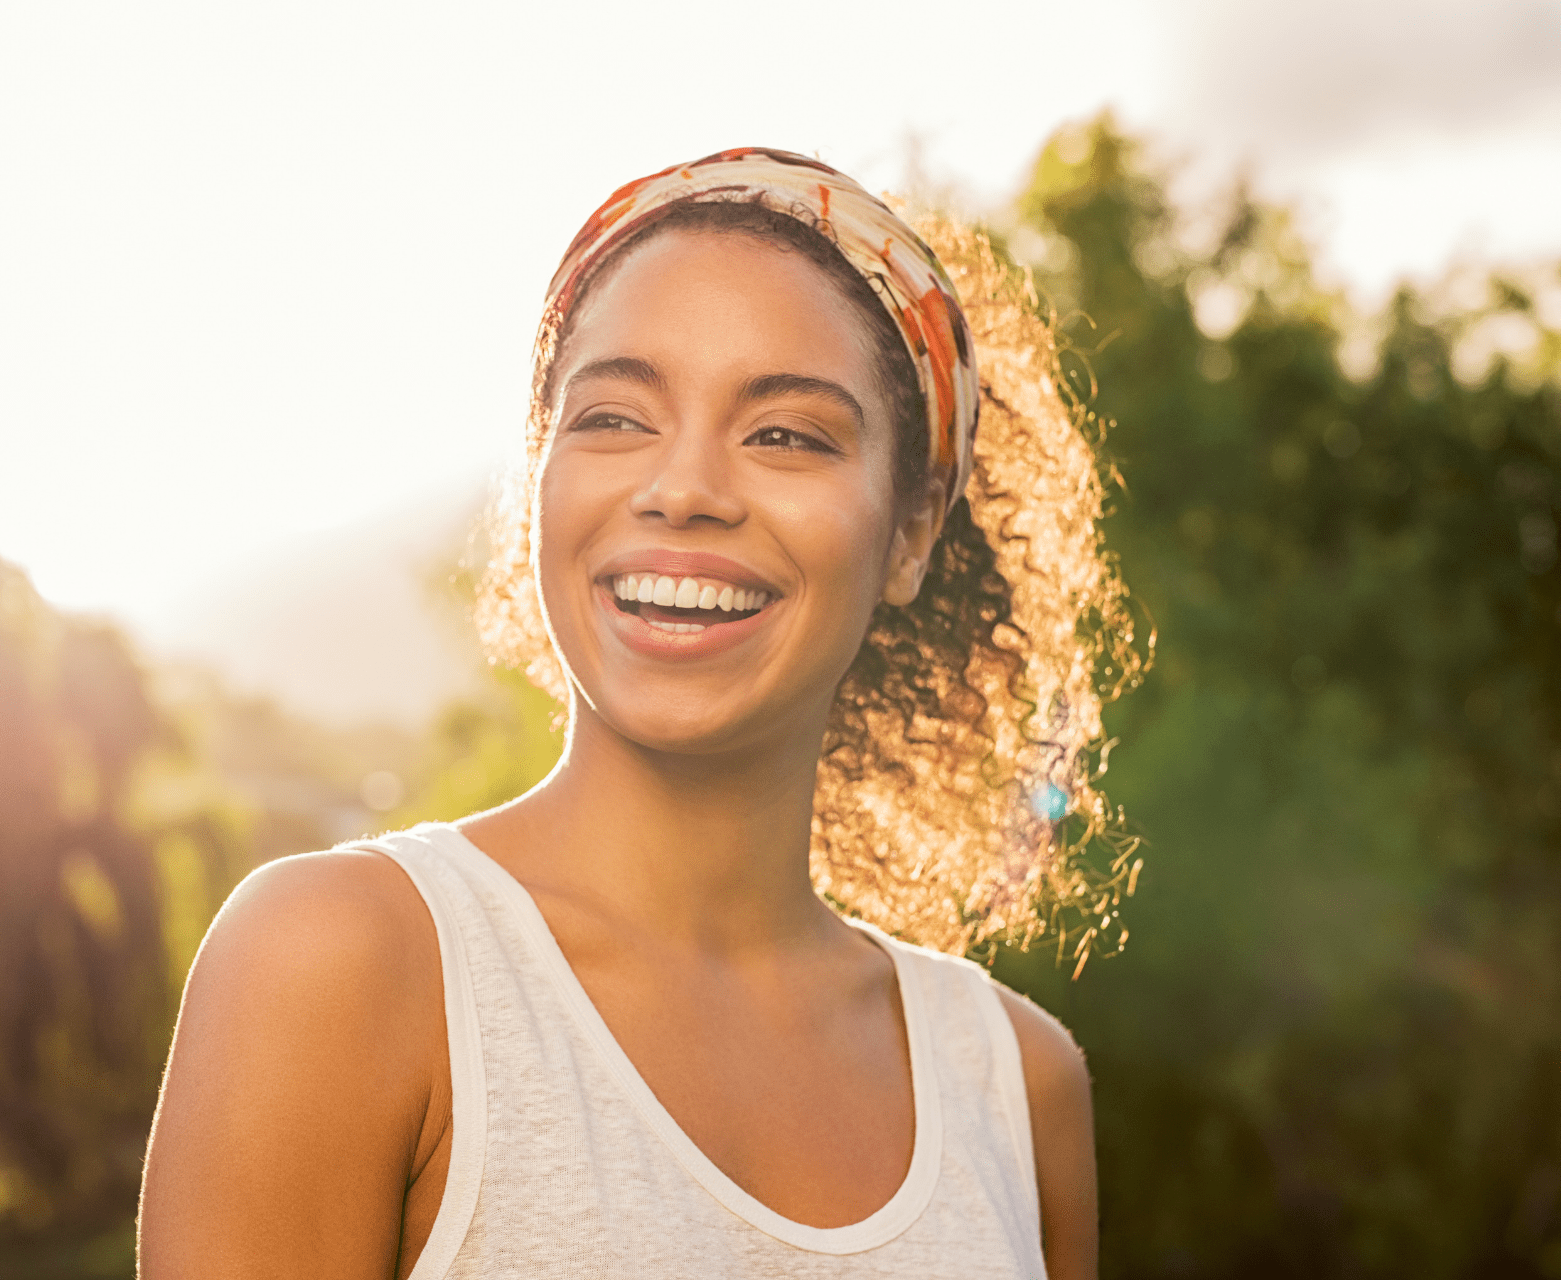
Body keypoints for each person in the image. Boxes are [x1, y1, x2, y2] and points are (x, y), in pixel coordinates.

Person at [138, 147, 1138, 1279]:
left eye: (787, 434)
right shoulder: (342, 963)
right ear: (542, 476)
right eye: (614, 417)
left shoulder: (1017, 1083)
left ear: (909, 530)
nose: (683, 488)